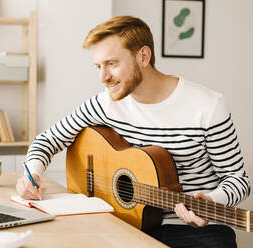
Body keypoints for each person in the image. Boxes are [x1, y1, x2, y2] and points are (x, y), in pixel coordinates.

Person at [16, 16, 250, 247]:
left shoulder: (208, 106)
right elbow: (47, 139)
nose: (103, 77)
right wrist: (32, 175)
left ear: (143, 56)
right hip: (125, 223)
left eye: (112, 64)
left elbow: (238, 180)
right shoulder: (105, 104)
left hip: (197, 231)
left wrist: (210, 200)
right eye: (98, 66)